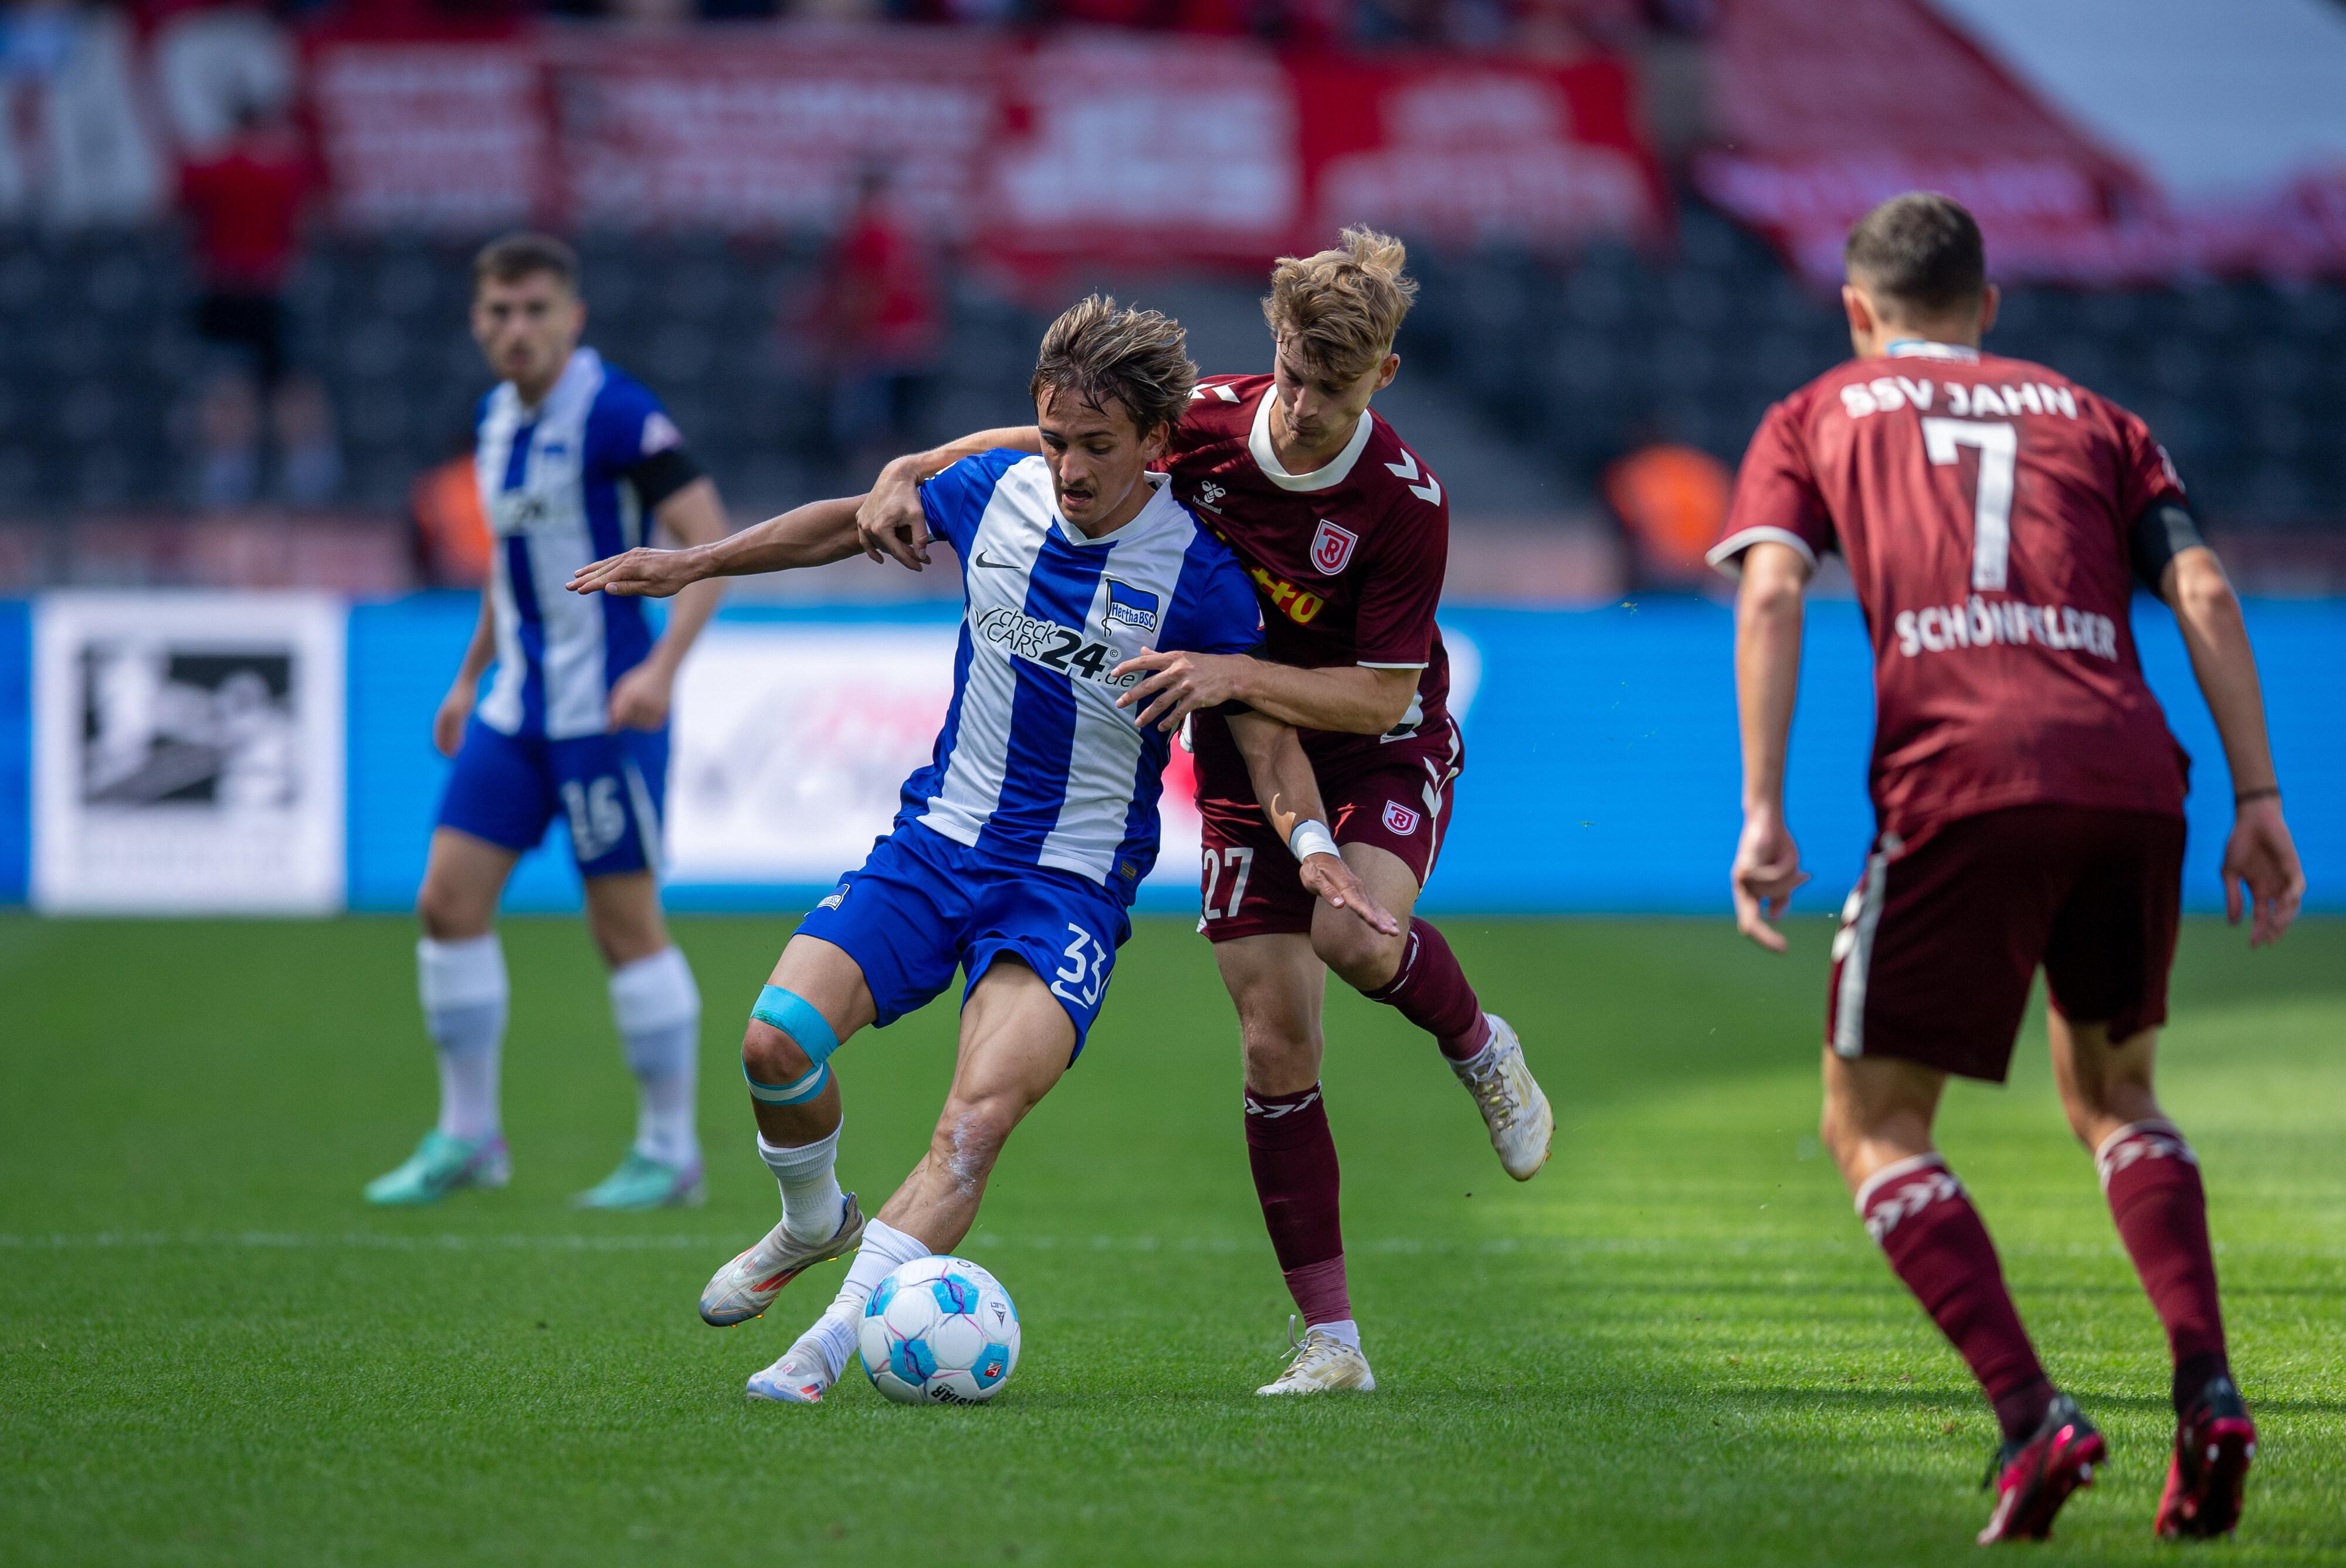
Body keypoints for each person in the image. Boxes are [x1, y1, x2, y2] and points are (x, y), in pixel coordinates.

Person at [568, 296, 1395, 1404]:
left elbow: (1267, 741)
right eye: (1054, 439)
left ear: (1157, 446)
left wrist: (1308, 844)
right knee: (774, 1046)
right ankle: (815, 1217)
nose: (1068, 467)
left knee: (974, 1119)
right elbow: (842, 522)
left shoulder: (1198, 577)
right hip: (934, 845)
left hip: (1067, 891)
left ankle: (819, 1352)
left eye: (1098, 448)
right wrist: (695, 563)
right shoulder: (995, 492)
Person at [852, 229, 1552, 1396]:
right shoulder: (1211, 418)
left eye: (1338, 387)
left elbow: (1380, 688)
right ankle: (1332, 1341)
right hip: (1240, 746)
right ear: (1274, 345)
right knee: (1275, 1041)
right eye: (1295, 373)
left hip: (1375, 745)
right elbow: (1038, 442)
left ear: (1383, 374)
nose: (1310, 405)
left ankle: (1479, 1044)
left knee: (1348, 932)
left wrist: (1232, 677)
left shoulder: (1402, 502)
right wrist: (904, 469)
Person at [1715, 192, 2305, 1545]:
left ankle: (2031, 1415)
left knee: (1869, 1125)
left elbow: (1765, 587)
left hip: (1962, 773)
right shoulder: (2099, 417)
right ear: (1986, 307)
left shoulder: (1816, 410)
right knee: (2116, 1094)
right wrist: (2258, 794)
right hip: (2132, 774)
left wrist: (1759, 806)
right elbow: (2203, 593)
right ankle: (2205, 1388)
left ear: (1857, 310)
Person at [364, 233, 732, 1212]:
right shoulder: (492, 421)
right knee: (446, 902)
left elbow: (712, 549)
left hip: (605, 713)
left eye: (535, 310)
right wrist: (467, 677)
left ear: (573, 318)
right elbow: (508, 569)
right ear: (477, 322)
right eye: (499, 312)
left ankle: (669, 1151)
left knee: (623, 927)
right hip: (515, 709)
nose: (516, 329)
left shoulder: (619, 415)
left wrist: (660, 668)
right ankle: (468, 1135)